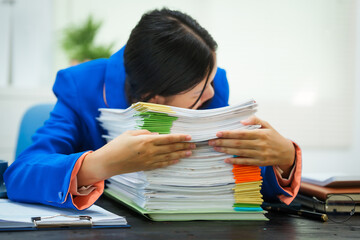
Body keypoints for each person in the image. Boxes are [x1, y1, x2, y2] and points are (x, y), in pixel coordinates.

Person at [4, 8, 301, 210]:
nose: (211, 92)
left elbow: (230, 175)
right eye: (199, 90)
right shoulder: (80, 86)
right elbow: (21, 174)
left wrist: (284, 159)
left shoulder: (214, 87)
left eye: (212, 77)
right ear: (154, 98)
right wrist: (99, 165)